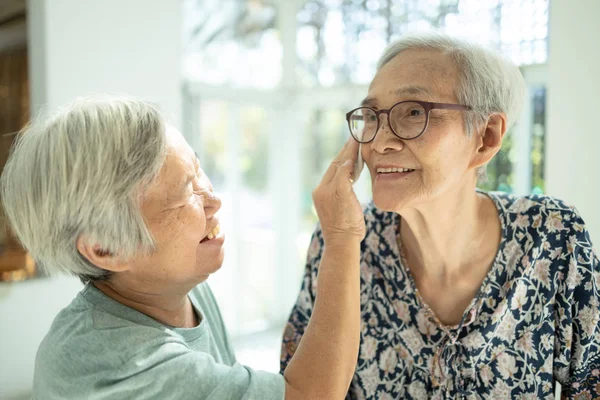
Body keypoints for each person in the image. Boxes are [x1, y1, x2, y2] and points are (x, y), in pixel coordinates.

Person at [280, 32, 600, 399]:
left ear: (487, 137)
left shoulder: (553, 236)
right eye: (371, 116)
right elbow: (297, 390)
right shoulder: (341, 239)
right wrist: (339, 239)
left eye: (414, 111)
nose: (379, 141)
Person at [0, 96, 366, 399]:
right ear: (106, 248)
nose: (213, 200)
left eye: (198, 170)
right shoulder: (115, 364)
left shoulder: (181, 290)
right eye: (185, 192)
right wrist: (342, 236)